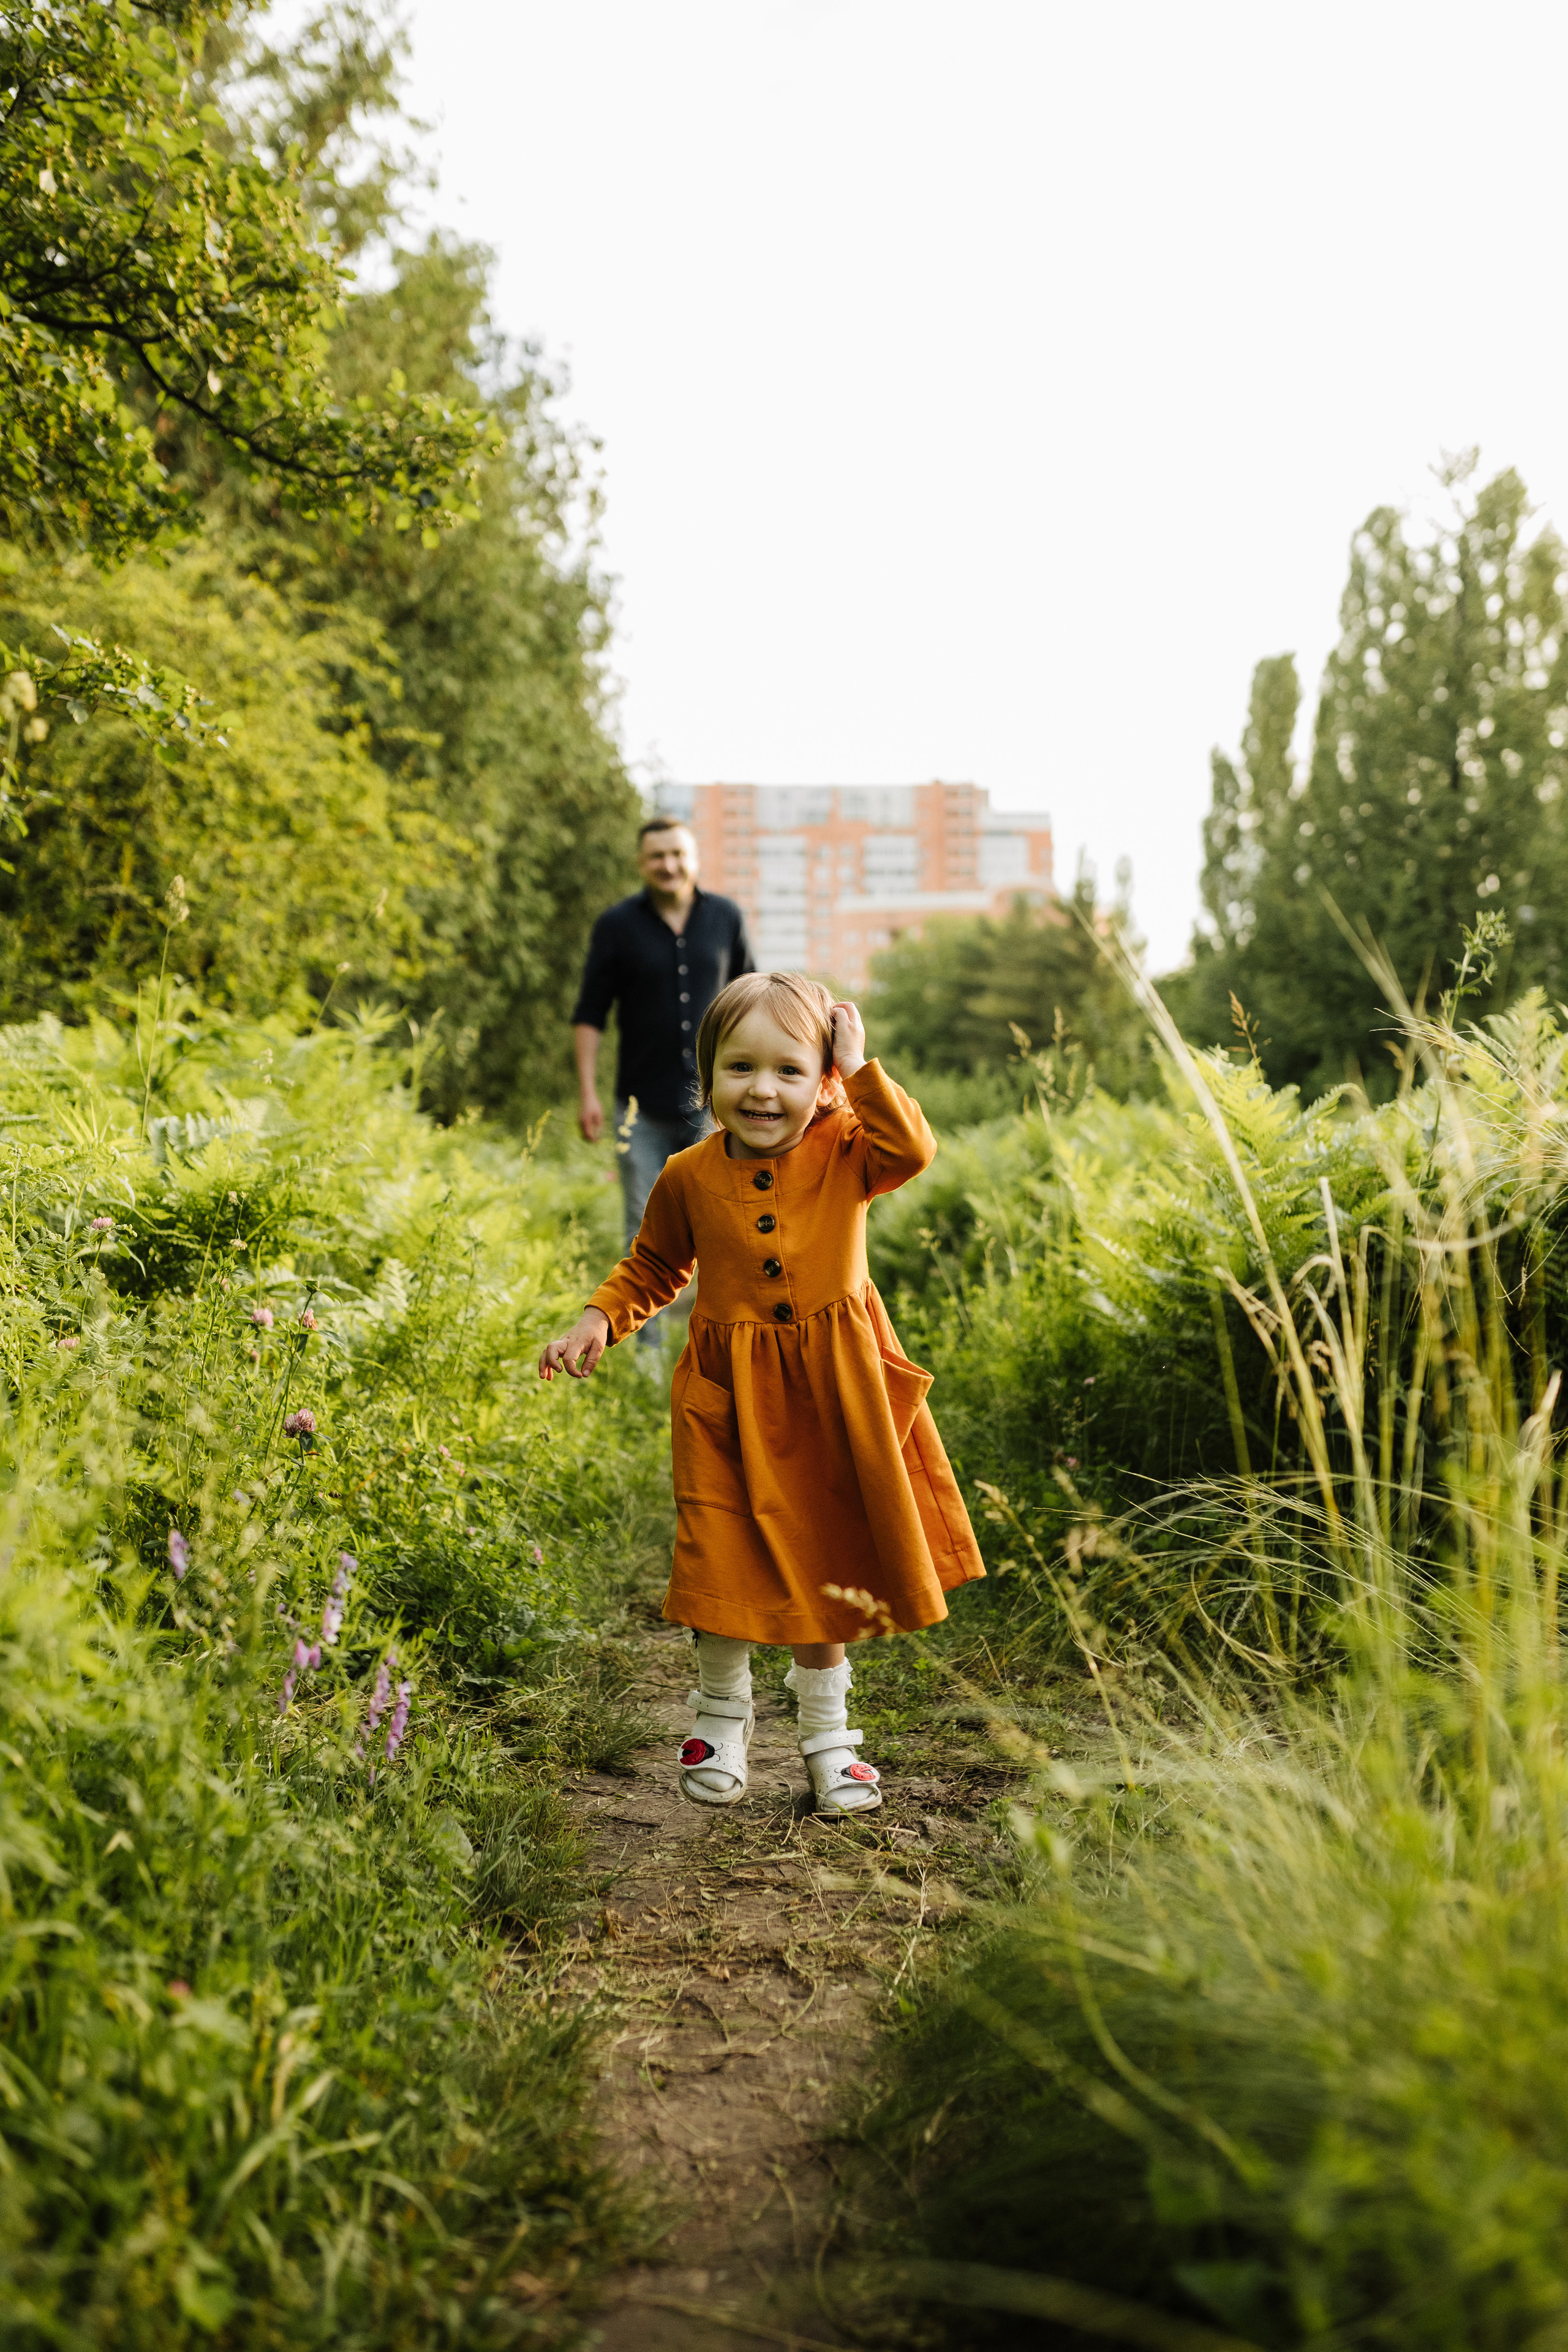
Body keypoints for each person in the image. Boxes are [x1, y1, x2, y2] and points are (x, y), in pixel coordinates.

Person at [538, 971, 985, 1815]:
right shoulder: (688, 1175)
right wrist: (600, 1319)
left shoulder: (850, 1146)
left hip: (835, 1395)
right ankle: (722, 1717)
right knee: (723, 1559)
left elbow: (913, 1150)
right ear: (709, 1083)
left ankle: (829, 1740)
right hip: (728, 1401)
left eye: (790, 1070)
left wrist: (858, 1071)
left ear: (821, 1080)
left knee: (823, 1563)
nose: (763, 1089)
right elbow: (655, 1266)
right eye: (740, 1069)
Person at [571, 815, 753, 1348]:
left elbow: (754, 1002)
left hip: (715, 1107)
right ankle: (646, 1358)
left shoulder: (727, 918)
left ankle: (724, 1343)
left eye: (678, 854)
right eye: (657, 856)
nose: (669, 865)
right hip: (640, 1108)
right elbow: (590, 1014)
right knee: (644, 1230)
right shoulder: (616, 926)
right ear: (641, 863)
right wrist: (588, 1093)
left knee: (725, 1226)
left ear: (693, 857)